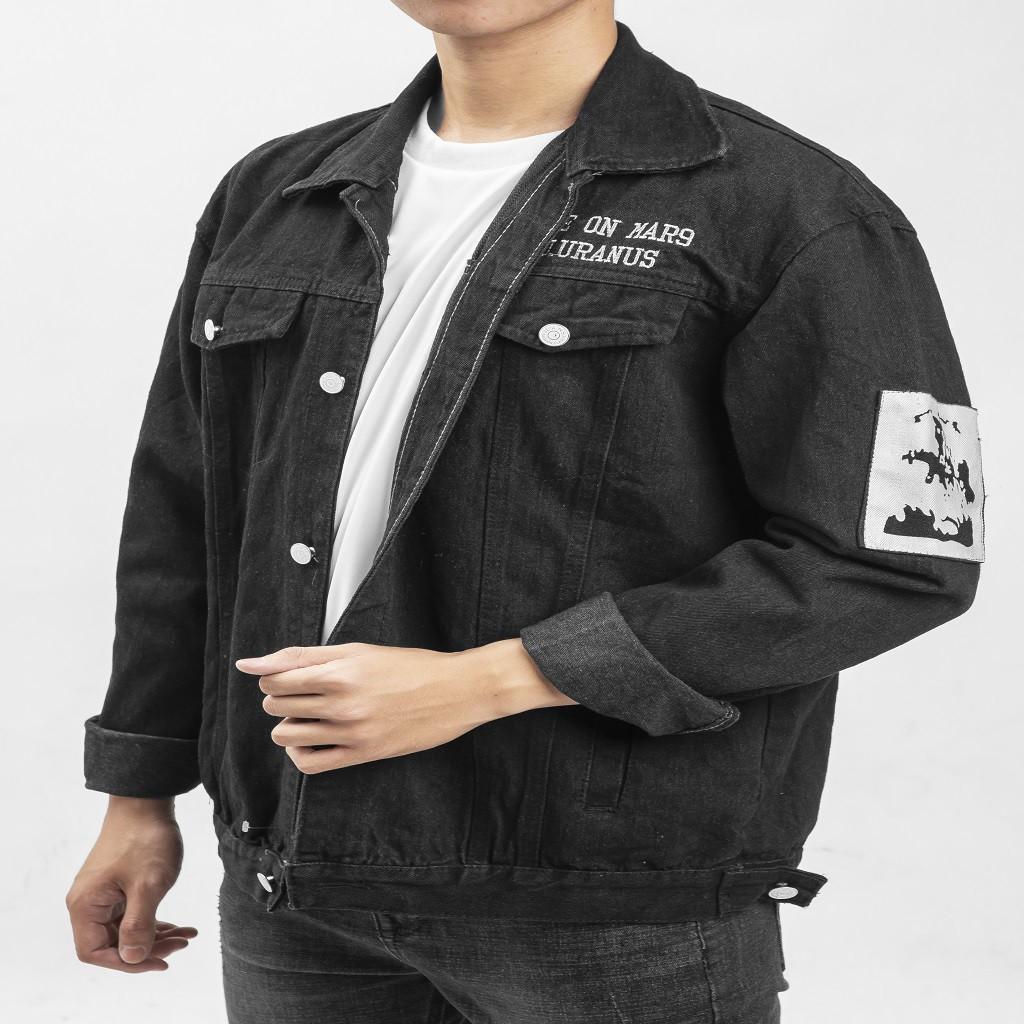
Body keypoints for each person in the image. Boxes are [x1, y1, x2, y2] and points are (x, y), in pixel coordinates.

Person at [66, 2, 985, 1021]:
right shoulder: (276, 192)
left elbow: (892, 562)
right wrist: (138, 794)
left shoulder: (791, 208)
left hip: (609, 905)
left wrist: (493, 680)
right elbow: (184, 511)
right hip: (295, 887)